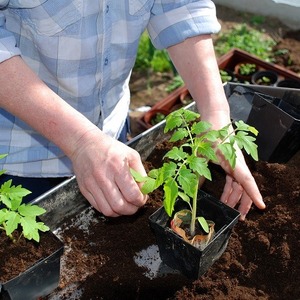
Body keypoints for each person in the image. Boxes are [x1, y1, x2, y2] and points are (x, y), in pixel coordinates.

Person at [0, 1, 265, 219]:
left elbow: (180, 7)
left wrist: (215, 116)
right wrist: (81, 141)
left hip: (112, 136)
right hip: (20, 158)